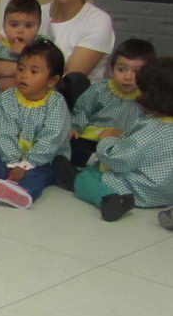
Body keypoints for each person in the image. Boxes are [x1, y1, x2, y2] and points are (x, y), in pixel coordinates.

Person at [53, 58, 173, 222]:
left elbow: (119, 160)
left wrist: (107, 140)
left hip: (140, 190)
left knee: (86, 179)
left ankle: (108, 198)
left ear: (154, 97)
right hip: (167, 193)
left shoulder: (151, 128)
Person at [0, 39, 70, 210]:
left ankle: (21, 192)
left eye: (34, 71)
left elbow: (51, 139)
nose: (24, 75)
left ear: (52, 80)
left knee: (38, 176)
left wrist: (26, 165)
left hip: (44, 160)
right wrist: (12, 162)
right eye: (20, 69)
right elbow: (5, 134)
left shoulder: (56, 103)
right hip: (9, 154)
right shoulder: (8, 98)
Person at [40, 0, 116, 109]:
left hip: (73, 111)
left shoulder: (98, 21)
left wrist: (9, 69)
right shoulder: (36, 13)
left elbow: (68, 82)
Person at [68, 38, 155, 166]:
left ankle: (95, 164)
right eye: (121, 69)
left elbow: (148, 127)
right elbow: (82, 109)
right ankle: (93, 162)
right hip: (92, 138)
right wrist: (76, 127)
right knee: (69, 146)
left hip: (122, 143)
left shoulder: (147, 99)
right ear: (111, 70)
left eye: (136, 72)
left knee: (138, 157)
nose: (127, 77)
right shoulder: (100, 89)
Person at [0, 0, 49, 92]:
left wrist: (26, 51)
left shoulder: (40, 44)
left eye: (28, 26)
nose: (20, 31)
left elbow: (48, 64)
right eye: (14, 25)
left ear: (38, 27)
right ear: (4, 26)